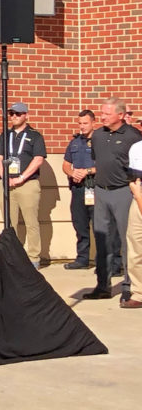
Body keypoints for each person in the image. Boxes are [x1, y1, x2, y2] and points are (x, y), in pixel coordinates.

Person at [84, 97, 142, 300]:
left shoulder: (133, 136)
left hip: (124, 192)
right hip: (101, 191)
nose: (102, 117)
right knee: (102, 239)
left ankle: (129, 286)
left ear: (120, 114)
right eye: (102, 113)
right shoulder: (98, 135)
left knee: (128, 242)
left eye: (107, 114)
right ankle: (103, 285)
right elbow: (97, 160)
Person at [0, 101, 47, 269]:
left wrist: (21, 178)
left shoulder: (35, 135)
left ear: (26, 115)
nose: (14, 117)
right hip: (7, 184)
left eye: (18, 114)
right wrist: (5, 177)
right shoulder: (5, 135)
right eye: (12, 114)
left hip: (27, 184)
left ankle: (33, 257)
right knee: (9, 223)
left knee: (31, 222)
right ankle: (11, 257)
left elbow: (38, 159)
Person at [62, 110, 97, 269]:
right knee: (80, 225)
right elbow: (65, 165)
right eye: (80, 123)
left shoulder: (100, 141)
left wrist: (87, 171)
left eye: (85, 123)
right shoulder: (75, 142)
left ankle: (103, 262)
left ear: (93, 123)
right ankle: (82, 259)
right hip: (78, 189)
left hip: (95, 188)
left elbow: (105, 164)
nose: (82, 126)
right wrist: (72, 172)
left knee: (100, 227)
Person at [123, 144, 142, 309]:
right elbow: (132, 176)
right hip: (138, 194)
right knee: (135, 246)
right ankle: (139, 293)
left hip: (139, 195)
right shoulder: (136, 148)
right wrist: (136, 192)